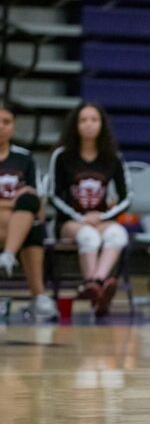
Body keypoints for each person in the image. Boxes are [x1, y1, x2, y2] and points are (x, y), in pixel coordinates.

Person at [50, 102, 132, 317]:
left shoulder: (113, 157)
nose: (88, 125)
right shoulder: (62, 156)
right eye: (83, 120)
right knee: (89, 236)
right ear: (75, 125)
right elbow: (53, 195)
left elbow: (127, 197)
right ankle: (98, 288)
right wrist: (80, 217)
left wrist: (102, 216)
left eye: (94, 120)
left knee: (117, 234)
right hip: (70, 221)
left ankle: (95, 284)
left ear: (102, 124)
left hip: (101, 218)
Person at [0, 107, 58, 319]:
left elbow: (37, 206)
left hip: (15, 224)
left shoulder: (24, 159)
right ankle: (38, 293)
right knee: (26, 219)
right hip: (10, 222)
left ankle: (38, 298)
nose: (1, 127)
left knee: (33, 224)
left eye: (6, 122)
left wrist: (15, 203)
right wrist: (13, 201)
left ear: (14, 126)